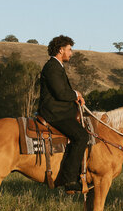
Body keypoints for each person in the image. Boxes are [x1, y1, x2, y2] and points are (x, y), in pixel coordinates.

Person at [38, 35, 89, 193]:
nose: (71, 53)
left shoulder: (57, 66)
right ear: (61, 50)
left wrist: (75, 97)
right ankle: (70, 180)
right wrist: (76, 94)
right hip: (54, 113)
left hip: (60, 110)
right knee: (81, 136)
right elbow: (60, 93)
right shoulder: (52, 67)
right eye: (69, 49)